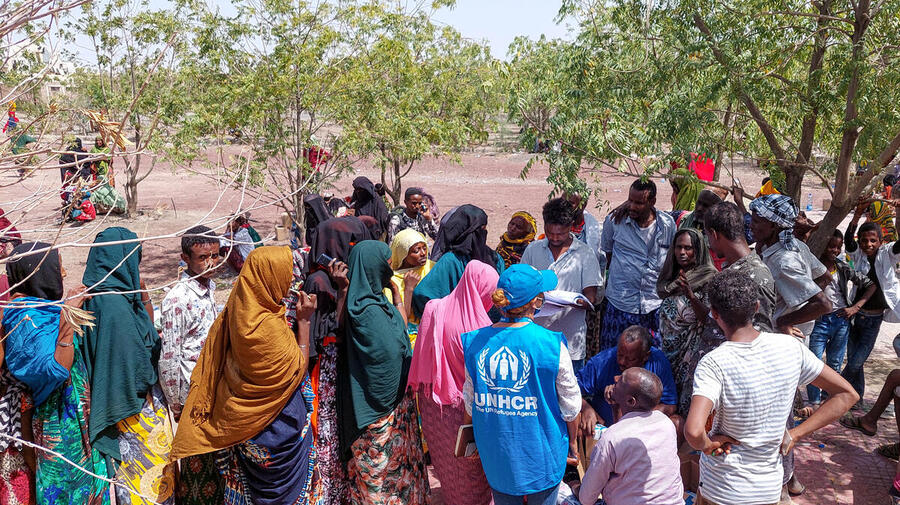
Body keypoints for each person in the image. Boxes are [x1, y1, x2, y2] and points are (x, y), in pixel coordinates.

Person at [684, 269, 858, 505]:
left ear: (714, 313)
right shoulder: (790, 348)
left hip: (722, 490)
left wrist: (708, 445)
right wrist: (795, 434)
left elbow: (693, 431)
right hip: (767, 491)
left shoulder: (714, 363)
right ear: (756, 307)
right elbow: (847, 395)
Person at [170, 246, 321, 505]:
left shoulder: (235, 312)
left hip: (243, 428)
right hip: (279, 430)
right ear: (270, 277)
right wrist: (304, 322)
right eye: (286, 274)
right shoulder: (269, 328)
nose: (291, 280)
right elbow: (296, 370)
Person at [462, 264, 581, 505]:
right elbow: (571, 407)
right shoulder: (551, 344)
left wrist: (469, 440)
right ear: (537, 302)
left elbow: (470, 401)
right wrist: (574, 446)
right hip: (543, 455)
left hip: (496, 454)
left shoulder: (474, 342)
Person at [1, 243, 110, 505]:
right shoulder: (24, 319)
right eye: (57, 265)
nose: (62, 271)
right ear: (39, 272)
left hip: (76, 416)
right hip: (57, 423)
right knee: (67, 490)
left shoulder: (44, 310)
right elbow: (55, 370)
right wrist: (68, 317)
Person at [80, 227, 175, 504]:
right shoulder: (114, 308)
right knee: (148, 492)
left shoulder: (106, 296)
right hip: (136, 414)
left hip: (128, 410)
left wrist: (142, 293)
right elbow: (137, 369)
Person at [339, 240, 429, 505]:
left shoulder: (374, 302)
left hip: (392, 411)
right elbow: (394, 352)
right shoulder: (367, 313)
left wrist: (399, 294)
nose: (391, 268)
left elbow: (400, 331)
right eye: (387, 263)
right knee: (382, 482)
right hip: (380, 415)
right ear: (373, 266)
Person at [407, 261, 499, 505]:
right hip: (464, 413)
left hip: (431, 404)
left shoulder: (433, 307)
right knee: (472, 478)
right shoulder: (480, 327)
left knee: (448, 470)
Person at [677, 201, 775, 416]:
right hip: (710, 380)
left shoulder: (755, 275)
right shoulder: (731, 270)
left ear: (713, 233)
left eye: (707, 236)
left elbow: (759, 337)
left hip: (727, 390)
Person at [301, 216, 371, 505]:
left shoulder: (342, 278)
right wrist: (342, 290)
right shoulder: (320, 281)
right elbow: (335, 332)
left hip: (338, 371)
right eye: (351, 244)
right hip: (326, 374)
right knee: (328, 436)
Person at [158, 226, 225, 504]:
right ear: (185, 258)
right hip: (191, 398)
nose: (211, 263)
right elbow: (170, 357)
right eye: (202, 257)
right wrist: (177, 403)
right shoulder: (178, 298)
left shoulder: (208, 289)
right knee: (197, 469)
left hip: (211, 392)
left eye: (215, 256)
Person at [578, 368, 683, 505]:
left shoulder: (610, 439)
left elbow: (586, 499)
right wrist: (616, 408)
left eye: (621, 380)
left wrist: (574, 484)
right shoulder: (666, 423)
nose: (615, 379)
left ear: (630, 401)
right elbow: (623, 434)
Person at [522, 198, 602, 371]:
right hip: (537, 340)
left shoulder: (585, 254)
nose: (555, 238)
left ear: (570, 226)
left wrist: (579, 302)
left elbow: (591, 297)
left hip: (570, 344)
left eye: (561, 234)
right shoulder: (533, 250)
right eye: (550, 233)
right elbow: (524, 285)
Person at [600, 179, 676, 350]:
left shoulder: (667, 225)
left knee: (651, 359)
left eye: (639, 202)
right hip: (620, 304)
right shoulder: (614, 221)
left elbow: (672, 259)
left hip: (653, 305)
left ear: (652, 202)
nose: (632, 206)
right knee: (614, 358)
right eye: (630, 200)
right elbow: (609, 256)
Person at [806, 230, 875, 408]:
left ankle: (828, 400)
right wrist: (822, 281)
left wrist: (855, 307)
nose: (835, 251)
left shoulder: (842, 267)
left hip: (840, 320)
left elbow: (870, 285)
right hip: (818, 320)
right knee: (814, 362)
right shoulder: (812, 267)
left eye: (838, 247)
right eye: (831, 247)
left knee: (835, 363)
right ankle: (813, 402)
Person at [749, 194, 831, 337]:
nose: (751, 225)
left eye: (756, 221)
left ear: (774, 225)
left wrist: (783, 321)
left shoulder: (783, 262)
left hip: (781, 338)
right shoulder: (796, 245)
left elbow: (823, 304)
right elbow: (825, 277)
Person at [843, 203, 900, 401]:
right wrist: (857, 214)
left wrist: (898, 214)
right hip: (854, 316)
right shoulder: (858, 254)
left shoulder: (888, 254)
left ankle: (833, 390)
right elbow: (849, 241)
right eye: (865, 241)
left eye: (873, 241)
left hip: (873, 320)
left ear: (880, 241)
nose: (868, 244)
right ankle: (856, 397)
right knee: (853, 360)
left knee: (856, 363)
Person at [576, 326, 678, 429]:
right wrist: (586, 408)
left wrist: (635, 421)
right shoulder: (602, 361)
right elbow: (569, 391)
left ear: (646, 356)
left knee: (677, 423)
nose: (622, 362)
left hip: (644, 427)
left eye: (630, 359)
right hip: (604, 428)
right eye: (619, 355)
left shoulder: (658, 362)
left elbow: (669, 405)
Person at [412, 204, 504, 318]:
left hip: (460, 329)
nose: (484, 232)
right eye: (482, 228)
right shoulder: (495, 258)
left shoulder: (451, 260)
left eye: (484, 228)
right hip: (490, 327)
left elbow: (422, 295)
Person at [657, 228, 717, 367]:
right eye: (679, 247)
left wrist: (691, 296)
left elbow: (709, 318)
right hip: (668, 347)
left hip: (690, 350)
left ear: (698, 250)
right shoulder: (671, 274)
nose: (682, 252)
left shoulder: (708, 277)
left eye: (688, 248)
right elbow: (663, 291)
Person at [387, 229, 434, 346]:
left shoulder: (432, 268)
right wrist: (408, 289)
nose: (423, 253)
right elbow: (402, 320)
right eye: (416, 250)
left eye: (424, 247)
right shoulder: (393, 280)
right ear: (403, 254)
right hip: (408, 339)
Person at [564, 191, 605, 271]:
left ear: (582, 205)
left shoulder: (591, 226)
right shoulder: (556, 222)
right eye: (563, 202)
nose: (565, 206)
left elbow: (594, 255)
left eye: (571, 203)